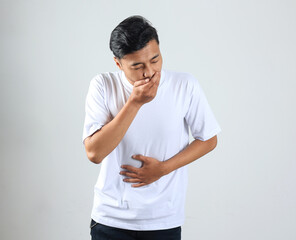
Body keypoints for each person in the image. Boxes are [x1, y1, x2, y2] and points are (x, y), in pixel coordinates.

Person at [82, 15, 221, 240]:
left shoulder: (184, 85)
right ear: (118, 63)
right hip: (111, 219)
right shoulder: (103, 85)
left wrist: (163, 169)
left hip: (163, 219)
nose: (149, 71)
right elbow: (94, 153)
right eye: (137, 66)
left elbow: (209, 139)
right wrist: (135, 102)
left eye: (155, 60)